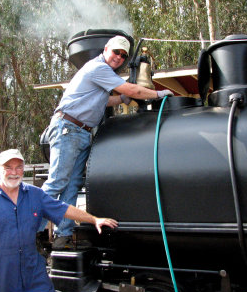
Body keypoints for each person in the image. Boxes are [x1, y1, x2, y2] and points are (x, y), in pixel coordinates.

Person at [42, 35, 173, 249]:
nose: (119, 57)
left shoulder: (103, 75)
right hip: (68, 127)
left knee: (72, 185)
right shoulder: (97, 68)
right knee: (57, 181)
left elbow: (103, 100)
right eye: (116, 52)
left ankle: (63, 236)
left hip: (82, 132)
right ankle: (31, 233)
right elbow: (133, 89)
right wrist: (158, 93)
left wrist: (121, 99)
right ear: (105, 49)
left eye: (123, 55)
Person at [0, 149, 117, 292]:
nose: (14, 172)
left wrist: (94, 219)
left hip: (33, 274)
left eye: (19, 167)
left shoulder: (35, 194)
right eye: (8, 168)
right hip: (1, 277)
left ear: (23, 169)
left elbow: (63, 208)